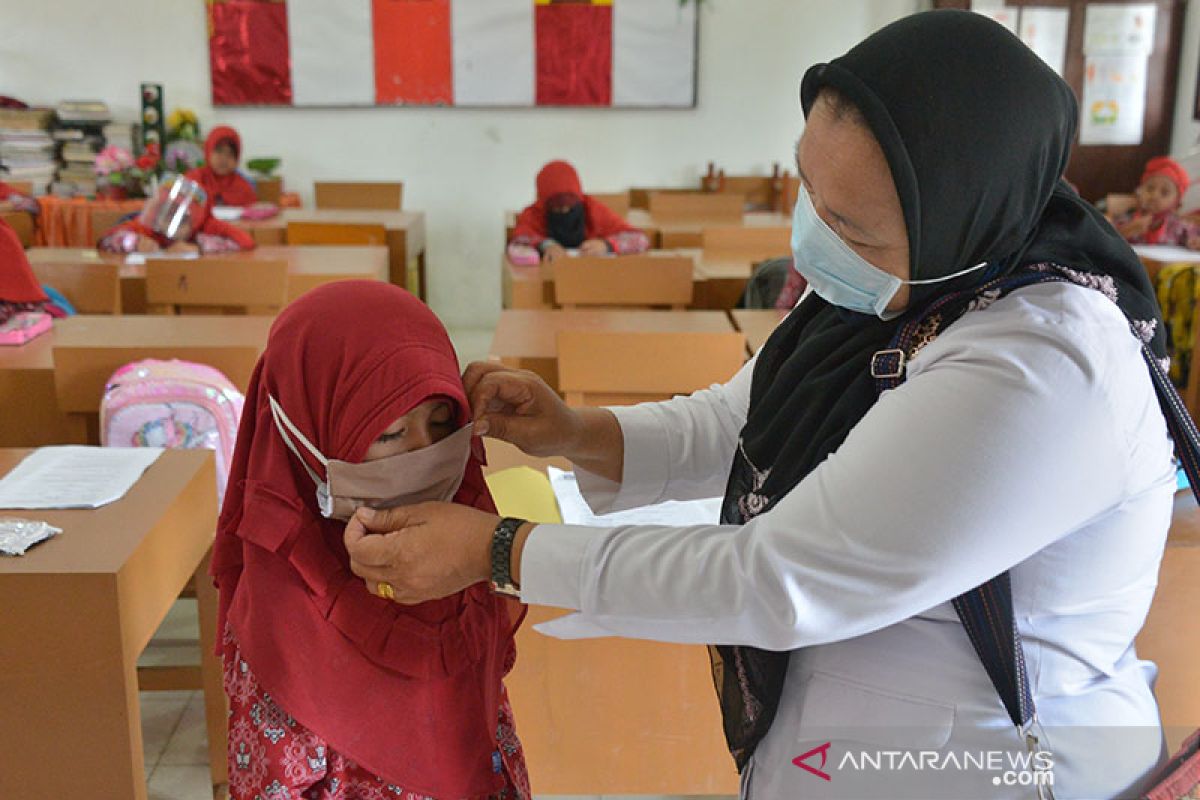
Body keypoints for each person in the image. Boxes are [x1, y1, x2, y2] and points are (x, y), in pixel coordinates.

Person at [343, 11, 1176, 799]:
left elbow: (777, 579)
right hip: (853, 739)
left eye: (850, 228)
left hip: (988, 763)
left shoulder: (1044, 368)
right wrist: (575, 432)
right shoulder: (912, 285)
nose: (812, 238)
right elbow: (744, 420)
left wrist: (500, 553)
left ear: (961, 216)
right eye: (808, 189)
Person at [210, 282, 530, 799]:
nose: (426, 455)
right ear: (308, 436)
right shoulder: (286, 620)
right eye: (388, 434)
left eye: (442, 422)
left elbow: (490, 740)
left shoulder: (462, 550)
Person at [507, 160, 649, 265]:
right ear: (544, 203)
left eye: (570, 205)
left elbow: (640, 240)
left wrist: (607, 245)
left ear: (579, 198)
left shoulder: (593, 211)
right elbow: (519, 241)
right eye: (556, 207)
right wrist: (546, 245)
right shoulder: (534, 214)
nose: (565, 211)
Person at [97, 176, 256, 254]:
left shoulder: (199, 236)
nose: (171, 220)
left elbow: (245, 242)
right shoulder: (146, 229)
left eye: (181, 218)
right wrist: (134, 242)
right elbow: (106, 240)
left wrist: (197, 248)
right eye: (167, 212)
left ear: (194, 223)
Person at [1113, 156, 1200, 248]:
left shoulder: (1178, 226)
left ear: (1176, 204)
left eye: (1164, 192)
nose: (1154, 196)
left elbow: (1194, 236)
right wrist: (1125, 231)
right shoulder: (1125, 219)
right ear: (1140, 191)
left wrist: (1195, 242)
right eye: (1150, 188)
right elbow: (1105, 241)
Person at [186, 125, 259, 207]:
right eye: (219, 151)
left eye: (230, 154)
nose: (224, 159)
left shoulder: (243, 187)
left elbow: (252, 213)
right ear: (208, 150)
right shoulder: (195, 179)